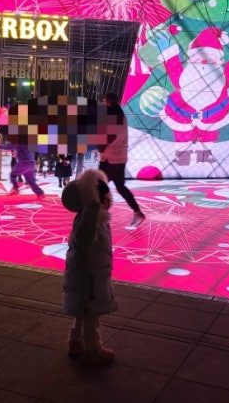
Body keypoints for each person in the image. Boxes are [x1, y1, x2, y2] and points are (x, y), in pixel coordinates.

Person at [61, 169, 117, 364]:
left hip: (90, 274)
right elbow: (84, 240)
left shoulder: (94, 218)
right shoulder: (89, 219)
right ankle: (93, 349)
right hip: (89, 277)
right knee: (91, 315)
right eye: (104, 197)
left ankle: (75, 341)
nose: (109, 201)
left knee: (83, 311)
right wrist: (93, 210)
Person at [99, 92, 146, 228]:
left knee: (98, 188)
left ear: (107, 102)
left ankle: (99, 217)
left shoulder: (110, 117)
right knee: (120, 187)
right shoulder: (122, 115)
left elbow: (105, 141)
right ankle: (137, 212)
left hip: (109, 159)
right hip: (120, 159)